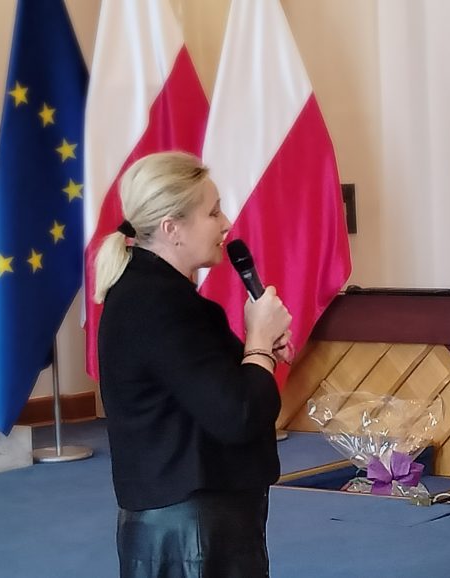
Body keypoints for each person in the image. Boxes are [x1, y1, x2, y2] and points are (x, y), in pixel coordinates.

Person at [94, 151, 292, 578]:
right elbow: (237, 415)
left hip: (184, 518)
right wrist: (258, 341)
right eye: (213, 212)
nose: (226, 224)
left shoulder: (146, 292)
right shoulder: (161, 303)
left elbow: (204, 391)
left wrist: (257, 350)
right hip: (193, 528)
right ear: (173, 228)